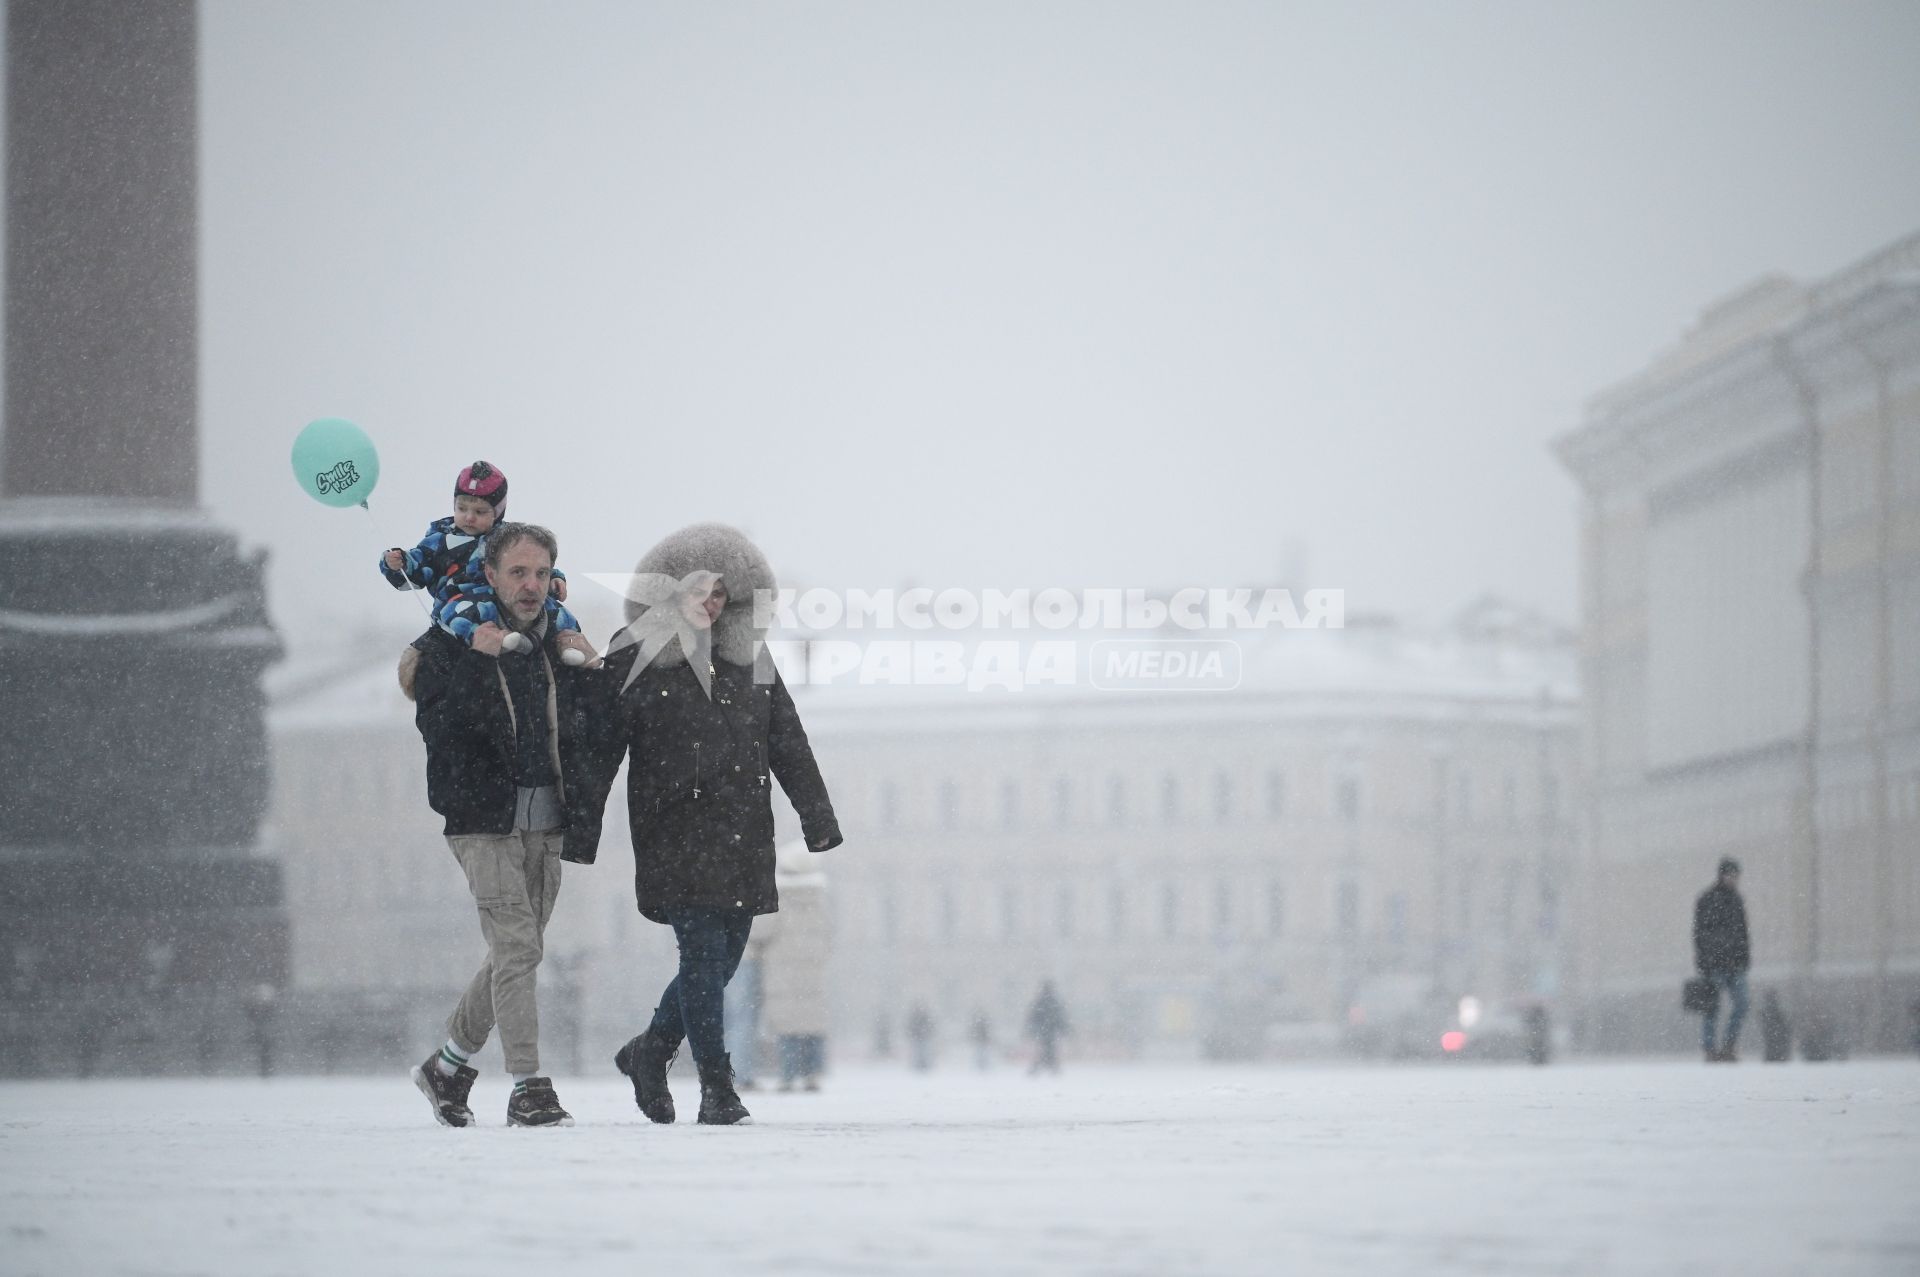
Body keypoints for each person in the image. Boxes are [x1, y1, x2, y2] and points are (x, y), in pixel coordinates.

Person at [586, 523, 843, 1126]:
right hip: (673, 830)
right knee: (702, 955)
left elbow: (788, 740)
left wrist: (817, 818)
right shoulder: (636, 650)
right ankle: (716, 1088)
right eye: (701, 587)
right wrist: (581, 826)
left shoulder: (751, 655)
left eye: (724, 593)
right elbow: (599, 748)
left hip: (743, 830)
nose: (711, 601)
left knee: (723, 960)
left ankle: (650, 1051)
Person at [402, 522, 607, 1128]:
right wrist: (476, 658)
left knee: (519, 950)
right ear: (489, 575)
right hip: (481, 818)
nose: (531, 585)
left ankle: (448, 1066)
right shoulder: (449, 640)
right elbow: (438, 728)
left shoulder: (559, 642)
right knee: (517, 945)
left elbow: (586, 727)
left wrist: (599, 673)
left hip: (547, 815)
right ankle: (528, 1088)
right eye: (518, 572)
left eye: (541, 573)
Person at [378, 460, 578, 653]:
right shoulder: (440, 540)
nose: (469, 517)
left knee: (553, 609)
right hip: (459, 599)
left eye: (480, 511)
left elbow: (530, 562)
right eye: (462, 508)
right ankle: (488, 638)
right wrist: (400, 563)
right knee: (456, 615)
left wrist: (553, 577)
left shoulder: (509, 538)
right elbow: (418, 569)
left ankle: (569, 643)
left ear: (497, 513)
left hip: (505, 599)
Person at [753, 841, 832, 1092]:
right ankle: (811, 1074)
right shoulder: (819, 898)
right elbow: (829, 934)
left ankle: (788, 1075)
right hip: (813, 970)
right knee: (811, 1023)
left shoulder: (779, 897)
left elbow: (762, 931)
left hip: (781, 970)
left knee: (786, 1026)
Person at [1693, 857, 1751, 1063]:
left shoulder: (1736, 900)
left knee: (1742, 1004)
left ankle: (1728, 1045)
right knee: (1712, 1007)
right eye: (1731, 875)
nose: (1734, 879)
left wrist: (1744, 958)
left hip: (1735, 964)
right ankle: (1710, 1049)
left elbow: (1743, 933)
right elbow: (1699, 934)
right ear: (1722, 874)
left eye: (1736, 876)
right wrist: (1704, 962)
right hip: (1714, 965)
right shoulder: (1707, 899)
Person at [1025, 980, 1070, 1075]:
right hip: (1050, 1031)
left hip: (1043, 1031)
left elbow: (1033, 1017)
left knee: (1043, 1050)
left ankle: (1040, 1067)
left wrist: (1032, 1029)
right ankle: (1051, 1067)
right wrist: (1063, 1029)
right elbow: (1060, 1017)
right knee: (1049, 1050)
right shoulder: (1054, 1001)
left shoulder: (1040, 1001)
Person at [1759, 988, 1792, 1063]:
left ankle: (1774, 1057)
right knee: (1773, 1045)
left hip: (1773, 1031)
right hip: (1774, 1031)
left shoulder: (1769, 1008)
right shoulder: (1772, 1008)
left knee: (1772, 1045)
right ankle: (1775, 1057)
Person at [906, 1003, 936, 1072]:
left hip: (923, 1038)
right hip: (918, 1038)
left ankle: (924, 1065)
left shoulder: (923, 1017)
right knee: (918, 1053)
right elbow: (910, 1026)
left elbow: (930, 1026)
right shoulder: (916, 1017)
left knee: (924, 1052)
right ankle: (918, 1065)